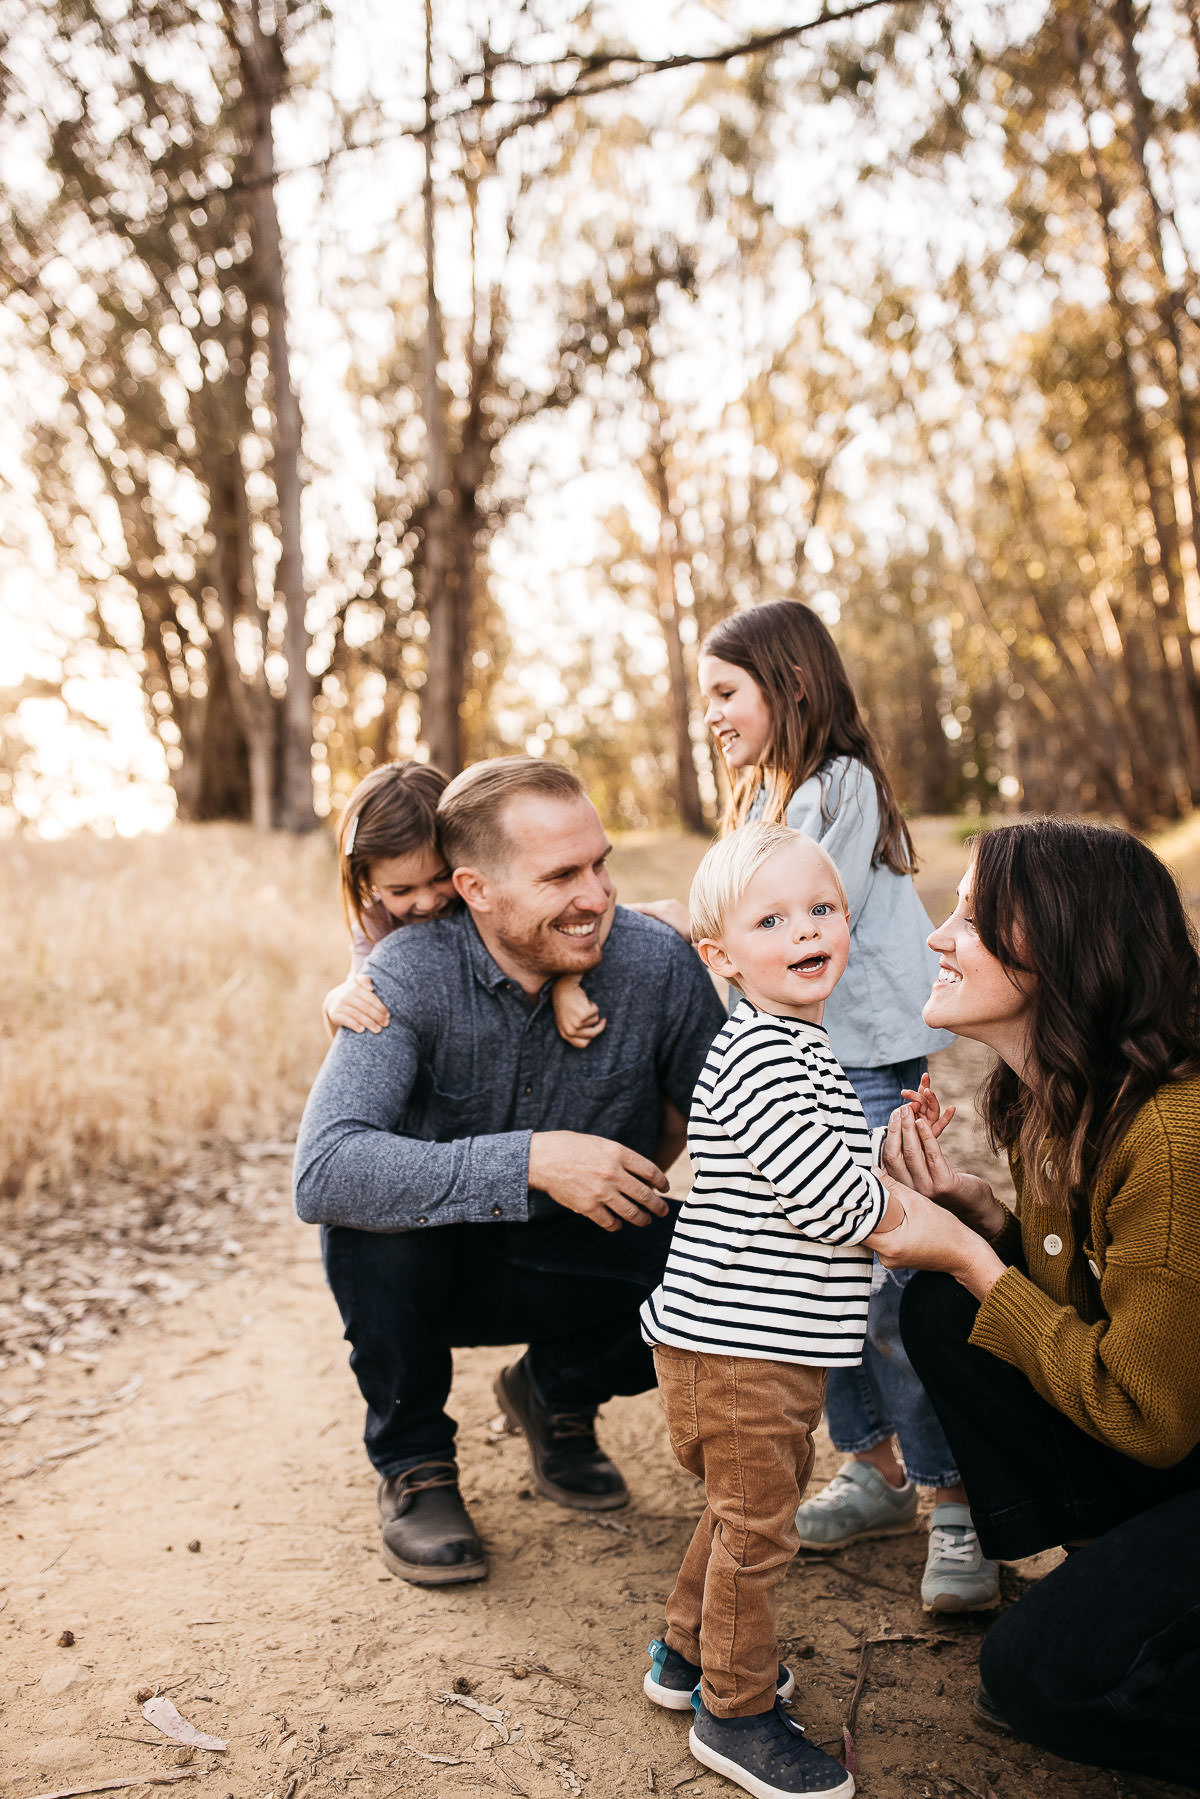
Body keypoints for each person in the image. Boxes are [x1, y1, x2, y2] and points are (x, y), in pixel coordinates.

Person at [294, 756, 727, 1587]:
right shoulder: (403, 974)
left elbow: (737, 1119)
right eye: (561, 874)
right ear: (476, 888)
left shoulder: (654, 964)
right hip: (438, 1258)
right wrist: (534, 1157)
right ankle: (415, 1463)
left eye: (600, 864)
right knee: (368, 1222)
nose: (596, 893)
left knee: (716, 1260)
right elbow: (324, 1169)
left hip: (579, 1248)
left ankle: (554, 1391)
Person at [878, 818, 1200, 1789]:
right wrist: (980, 1220)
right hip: (1175, 1440)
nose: (938, 934)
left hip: (1169, 1431)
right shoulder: (1055, 1097)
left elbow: (1148, 1415)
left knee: (1038, 1676)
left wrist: (982, 1260)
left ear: (1062, 948)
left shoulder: (1175, 1137)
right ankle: (1118, 1563)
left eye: (972, 916)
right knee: (942, 1306)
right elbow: (1089, 1306)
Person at [697, 599, 996, 1613]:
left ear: (787, 686)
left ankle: (956, 1499)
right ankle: (877, 1467)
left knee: (886, 1286)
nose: (713, 716)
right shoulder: (756, 803)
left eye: (726, 693)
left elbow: (798, 904)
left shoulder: (839, 788)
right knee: (804, 1273)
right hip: (801, 1059)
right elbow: (730, 914)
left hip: (860, 1060)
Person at [641, 822, 906, 1799]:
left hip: (766, 1345)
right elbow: (831, 1202)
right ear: (720, 956)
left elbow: (819, 1174)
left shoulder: (798, 1043)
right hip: (737, 1349)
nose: (807, 928)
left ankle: (686, 1654)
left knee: (743, 1509)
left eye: (822, 909)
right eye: (772, 917)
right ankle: (737, 1709)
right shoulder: (762, 1056)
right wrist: (897, 1204)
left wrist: (885, 1153)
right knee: (758, 1531)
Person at [321, 760, 610, 1049]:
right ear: (368, 883)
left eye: (440, 877)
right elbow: (360, 995)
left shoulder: (489, 901)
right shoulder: (375, 920)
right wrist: (334, 1004)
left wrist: (567, 984)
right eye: (401, 890)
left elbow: (592, 908)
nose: (427, 902)